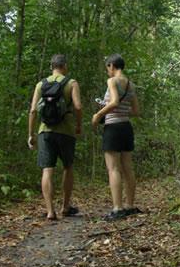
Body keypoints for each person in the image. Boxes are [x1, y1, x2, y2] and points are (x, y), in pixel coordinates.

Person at [28, 54, 82, 220]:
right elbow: (78, 106)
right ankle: (65, 207)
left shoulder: (40, 84)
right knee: (68, 167)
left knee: (47, 169)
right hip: (66, 131)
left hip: (45, 131)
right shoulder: (71, 83)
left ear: (52, 67)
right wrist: (79, 125)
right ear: (64, 66)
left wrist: (30, 134)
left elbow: (33, 111)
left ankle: (50, 211)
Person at [91, 54, 140, 221]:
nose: (108, 72)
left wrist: (98, 115)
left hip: (113, 128)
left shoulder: (112, 81)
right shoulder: (131, 85)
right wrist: (119, 110)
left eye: (108, 68)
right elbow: (135, 111)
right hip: (126, 128)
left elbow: (114, 102)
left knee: (113, 169)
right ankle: (130, 205)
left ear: (112, 65)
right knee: (128, 168)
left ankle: (118, 208)